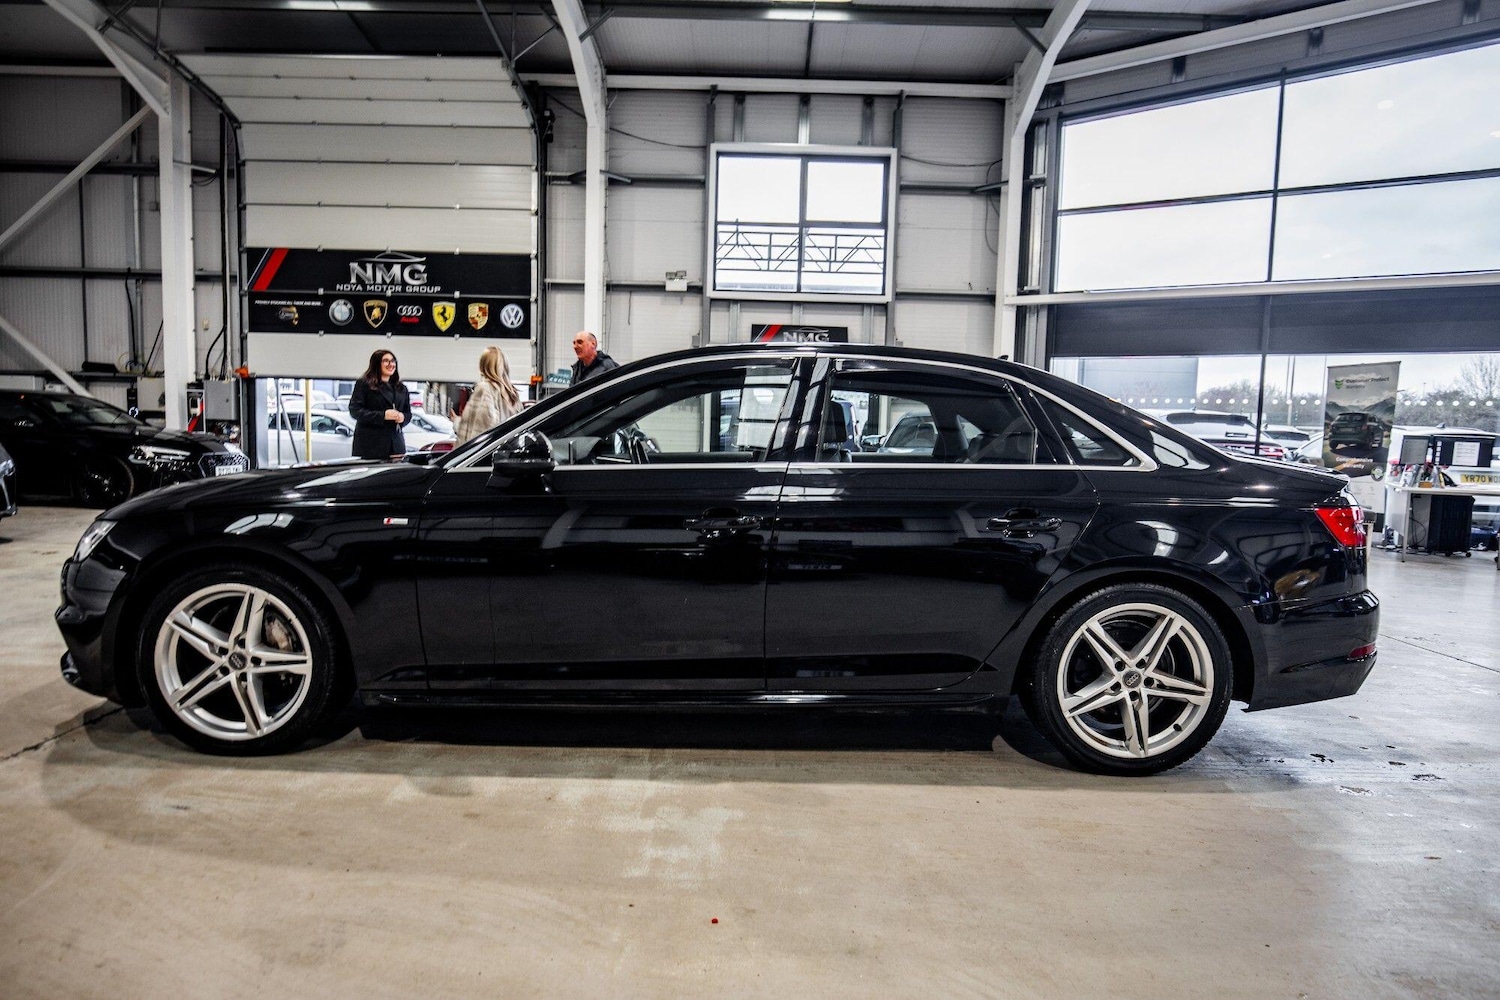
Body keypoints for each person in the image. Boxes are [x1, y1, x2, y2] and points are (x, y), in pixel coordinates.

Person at [347, 349, 411, 460]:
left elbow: (408, 413)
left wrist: (403, 418)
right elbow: (355, 410)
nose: (391, 364)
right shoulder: (364, 384)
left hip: (396, 445)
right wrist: (383, 415)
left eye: (393, 361)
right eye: (386, 361)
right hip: (371, 445)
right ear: (376, 364)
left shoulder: (401, 388)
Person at [452, 346, 521, 445]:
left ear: (483, 366)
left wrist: (456, 422)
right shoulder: (513, 395)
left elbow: (482, 430)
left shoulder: (484, 389)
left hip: (483, 457)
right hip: (504, 454)